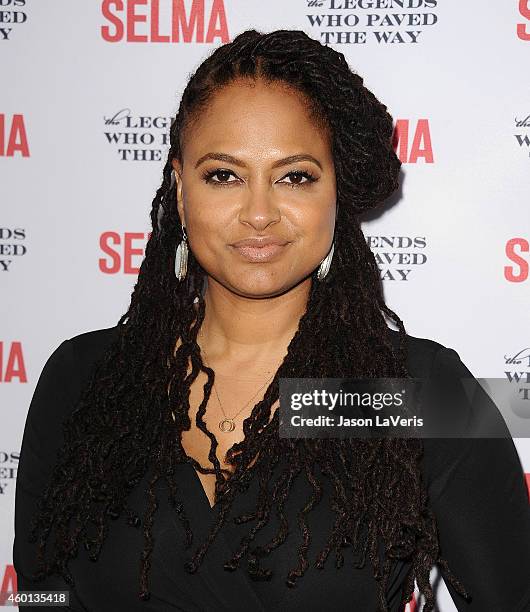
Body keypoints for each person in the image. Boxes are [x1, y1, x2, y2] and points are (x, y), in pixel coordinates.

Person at [13, 29, 530, 612]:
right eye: (223, 175)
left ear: (337, 192)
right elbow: (40, 594)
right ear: (180, 191)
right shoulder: (85, 378)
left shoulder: (409, 392)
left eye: (295, 176)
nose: (259, 213)